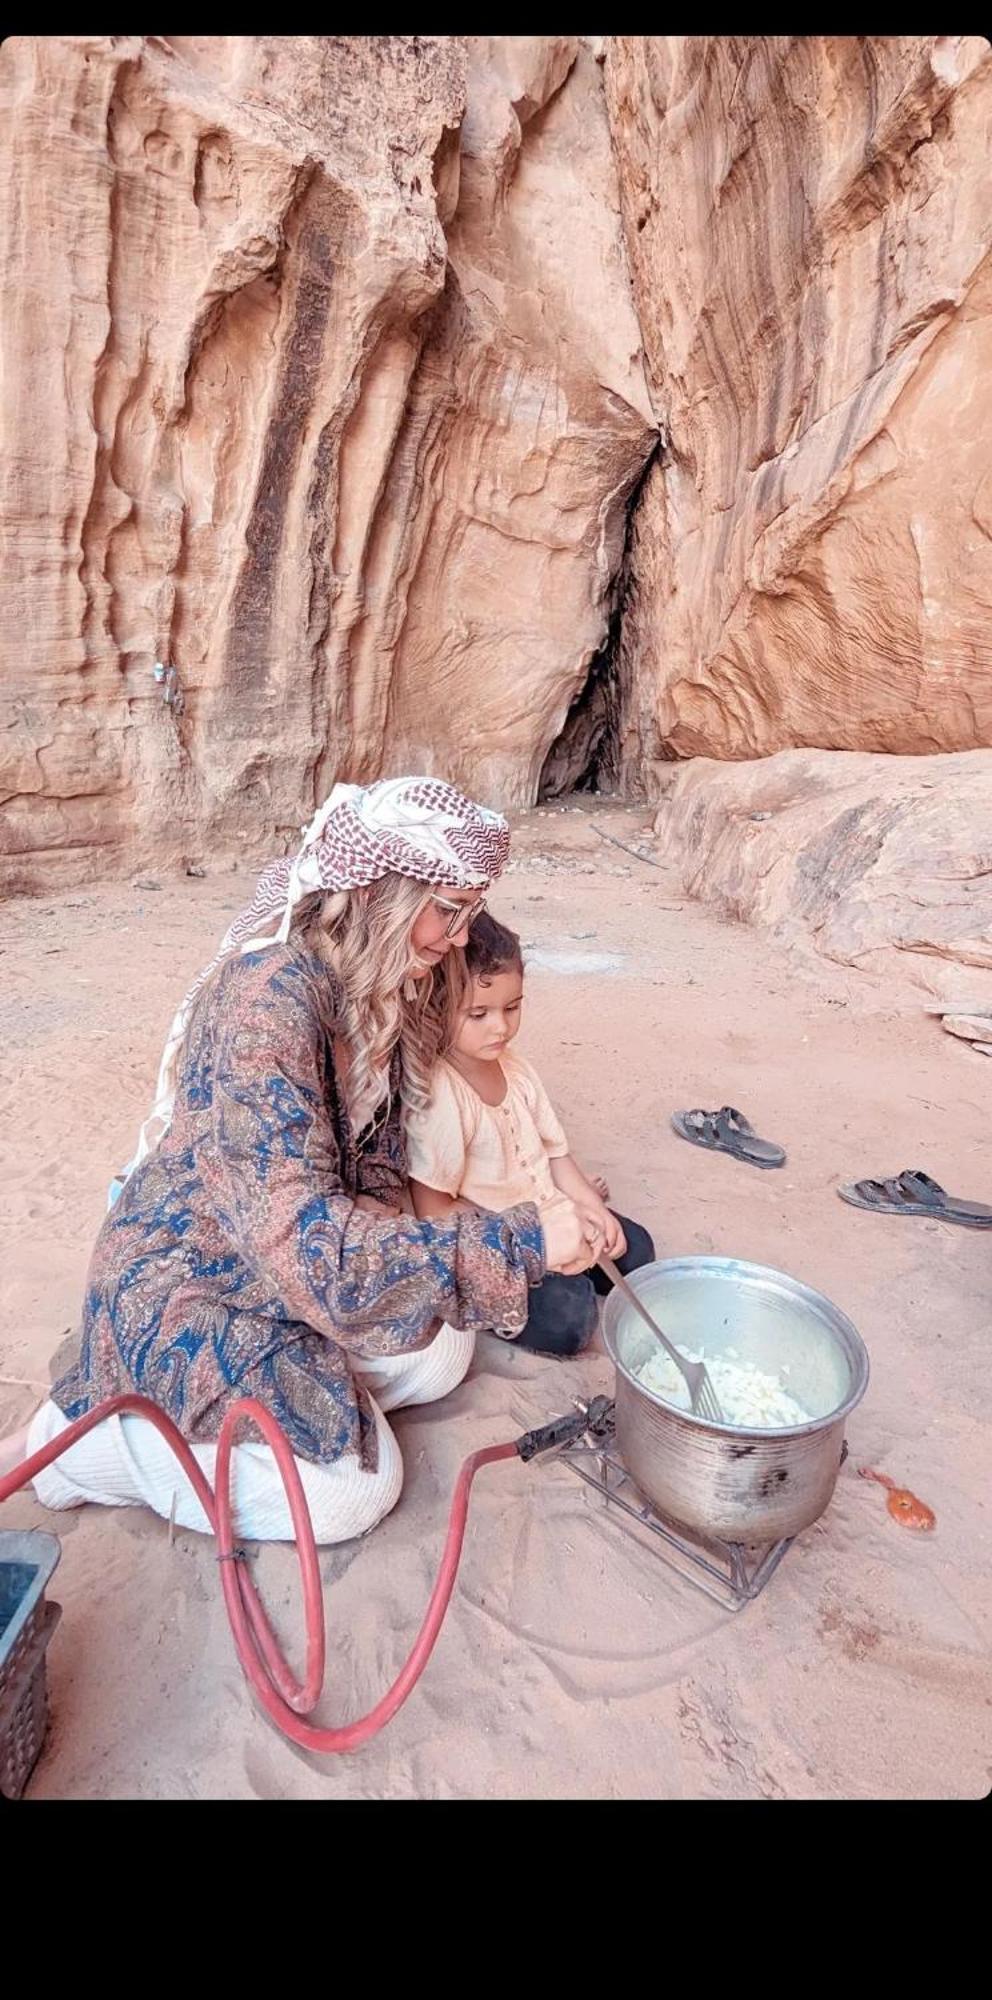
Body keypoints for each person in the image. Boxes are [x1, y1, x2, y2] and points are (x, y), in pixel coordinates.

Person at [1, 779, 600, 1542]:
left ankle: (273, 1397)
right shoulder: (268, 1005)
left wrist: (404, 1264)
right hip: (192, 1282)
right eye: (447, 910)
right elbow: (311, 1249)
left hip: (287, 1268)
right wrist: (525, 1240)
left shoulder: (378, 986)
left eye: (470, 911)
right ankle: (78, 1447)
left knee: (444, 1348)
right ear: (385, 891)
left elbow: (375, 1172)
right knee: (355, 1492)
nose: (458, 936)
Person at [406, 913, 655, 1355]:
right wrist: (536, 1237)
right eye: (478, 1014)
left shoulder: (517, 1070)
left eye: (512, 1007)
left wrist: (591, 1210)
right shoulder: (442, 1096)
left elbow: (556, 1155)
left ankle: (579, 1254)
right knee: (570, 1321)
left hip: (553, 1214)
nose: (500, 1027)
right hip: (502, 1244)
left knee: (636, 1251)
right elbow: (433, 1209)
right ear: (435, 1007)